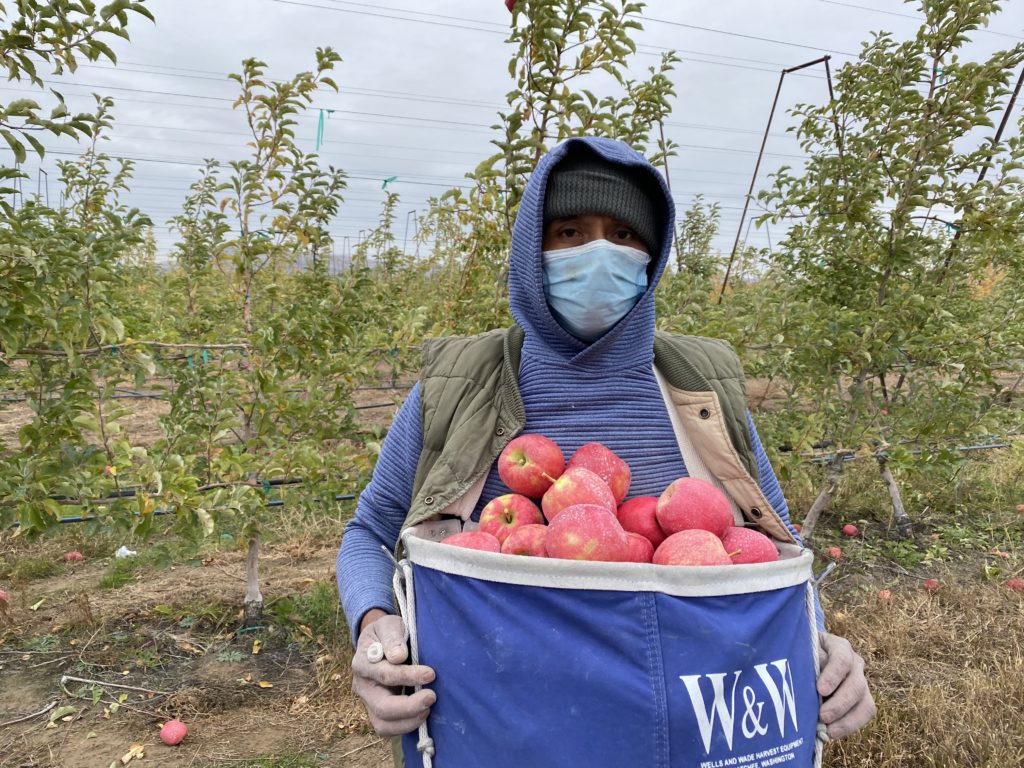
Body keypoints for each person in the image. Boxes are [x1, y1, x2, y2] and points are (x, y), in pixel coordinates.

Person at [337, 136, 875, 749]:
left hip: (684, 722)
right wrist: (375, 629)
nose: (598, 252)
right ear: (531, 250)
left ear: (652, 253)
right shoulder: (462, 383)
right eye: (569, 232)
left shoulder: (701, 383)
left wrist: (818, 643)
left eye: (623, 234)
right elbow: (370, 533)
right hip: (503, 721)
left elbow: (777, 552)